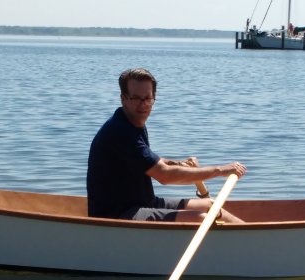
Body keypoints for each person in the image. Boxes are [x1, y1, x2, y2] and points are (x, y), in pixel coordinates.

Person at [87, 68, 247, 223]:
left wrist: (178, 164)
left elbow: (145, 161)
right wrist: (220, 170)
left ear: (153, 98)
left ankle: (250, 237)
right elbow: (164, 175)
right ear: (123, 99)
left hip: (144, 203)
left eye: (147, 98)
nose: (143, 105)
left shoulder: (133, 123)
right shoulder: (120, 130)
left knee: (210, 206)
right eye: (136, 98)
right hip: (118, 214)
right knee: (199, 219)